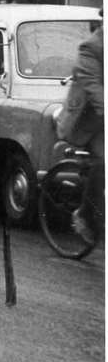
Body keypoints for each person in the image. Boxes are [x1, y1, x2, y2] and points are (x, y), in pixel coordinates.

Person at [57, 24, 103, 239]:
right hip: (90, 120)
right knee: (103, 162)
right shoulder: (92, 47)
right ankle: (85, 214)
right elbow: (93, 86)